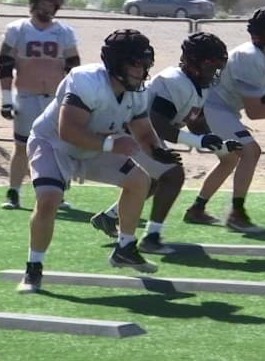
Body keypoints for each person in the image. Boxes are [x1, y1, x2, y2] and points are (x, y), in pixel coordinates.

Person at [17, 29, 182, 293]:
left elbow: (142, 130)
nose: (141, 72)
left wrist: (157, 150)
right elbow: (68, 130)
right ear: (116, 63)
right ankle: (33, 268)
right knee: (48, 199)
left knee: (140, 180)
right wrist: (111, 144)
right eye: (135, 64)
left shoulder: (135, 91)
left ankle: (125, 248)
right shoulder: (85, 80)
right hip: (54, 144)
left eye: (144, 65)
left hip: (94, 146)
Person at [90, 32, 243, 253]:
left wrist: (219, 143)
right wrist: (199, 140)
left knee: (154, 180)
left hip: (145, 134)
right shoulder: (173, 82)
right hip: (128, 131)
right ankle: (151, 237)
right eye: (212, 65)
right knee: (172, 175)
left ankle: (110, 217)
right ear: (195, 63)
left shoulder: (199, 85)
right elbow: (158, 124)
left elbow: (195, 121)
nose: (215, 72)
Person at [183, 7, 265, 232]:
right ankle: (236, 214)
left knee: (230, 159)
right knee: (251, 151)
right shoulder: (250, 57)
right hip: (213, 108)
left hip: (223, 109)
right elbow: (255, 112)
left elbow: (260, 95)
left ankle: (197, 209)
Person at [0, 0, 80, 210]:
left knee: (57, 146)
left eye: (51, 3)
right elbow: (5, 64)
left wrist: (73, 101)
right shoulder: (18, 29)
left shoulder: (64, 32)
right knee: (22, 146)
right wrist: (6, 99)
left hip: (55, 99)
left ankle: (58, 193)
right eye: (43, 2)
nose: (47, 8)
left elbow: (73, 67)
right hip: (26, 95)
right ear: (34, 2)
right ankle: (14, 192)